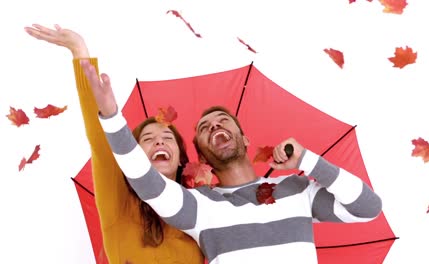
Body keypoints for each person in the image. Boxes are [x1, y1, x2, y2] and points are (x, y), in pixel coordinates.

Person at [81, 47, 383, 264]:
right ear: (202, 155)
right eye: (204, 127)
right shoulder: (200, 206)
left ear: (244, 137)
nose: (215, 125)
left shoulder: (296, 188)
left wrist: (308, 161)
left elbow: (368, 207)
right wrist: (110, 115)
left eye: (223, 120)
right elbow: (146, 183)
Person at [24, 24, 204, 264]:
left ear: (182, 158)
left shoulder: (199, 212)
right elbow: (101, 143)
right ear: (133, 157)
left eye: (168, 137)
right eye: (147, 139)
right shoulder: (118, 202)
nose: (159, 139)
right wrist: (80, 52)